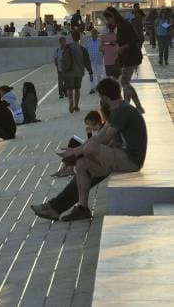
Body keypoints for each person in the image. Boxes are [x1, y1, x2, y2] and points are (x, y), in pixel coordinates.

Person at [31, 77, 147, 221]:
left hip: (130, 159)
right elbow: (99, 137)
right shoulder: (118, 110)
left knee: (89, 149)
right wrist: (78, 151)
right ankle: (81, 208)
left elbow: (102, 141)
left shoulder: (123, 111)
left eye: (100, 97)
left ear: (105, 97)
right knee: (82, 165)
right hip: (119, 155)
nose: (101, 100)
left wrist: (75, 152)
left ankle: (55, 206)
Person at [104, 6, 145, 114]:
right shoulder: (120, 25)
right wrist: (117, 44)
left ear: (113, 16)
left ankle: (128, 107)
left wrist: (123, 47)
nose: (108, 22)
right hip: (128, 57)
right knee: (126, 82)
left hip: (131, 57)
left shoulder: (124, 25)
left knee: (124, 81)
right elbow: (125, 40)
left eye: (108, 19)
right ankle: (138, 107)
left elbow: (134, 40)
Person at [51, 110, 104, 177]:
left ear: (93, 121)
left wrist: (89, 134)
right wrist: (89, 134)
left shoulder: (103, 129)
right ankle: (66, 169)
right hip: (95, 151)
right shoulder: (101, 129)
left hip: (99, 155)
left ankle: (67, 169)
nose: (88, 126)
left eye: (88, 123)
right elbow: (92, 143)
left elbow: (93, 145)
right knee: (73, 141)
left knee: (74, 143)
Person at [61, 30, 93, 114]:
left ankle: (71, 102)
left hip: (69, 72)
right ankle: (76, 105)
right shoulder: (82, 49)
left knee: (70, 89)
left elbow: (63, 59)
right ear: (79, 38)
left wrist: (63, 70)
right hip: (79, 72)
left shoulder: (67, 47)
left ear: (72, 37)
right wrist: (90, 71)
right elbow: (87, 62)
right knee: (77, 89)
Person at [86, 28, 106, 93]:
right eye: (93, 33)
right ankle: (92, 88)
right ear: (91, 34)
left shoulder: (100, 41)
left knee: (99, 75)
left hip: (99, 60)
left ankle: (99, 87)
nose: (94, 34)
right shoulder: (88, 41)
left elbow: (104, 50)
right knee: (91, 75)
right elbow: (86, 51)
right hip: (91, 61)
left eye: (95, 33)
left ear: (97, 34)